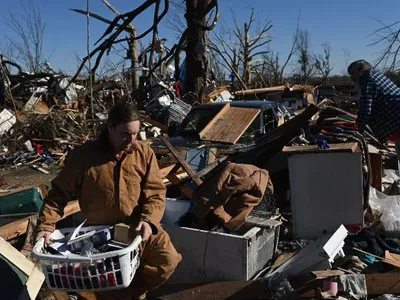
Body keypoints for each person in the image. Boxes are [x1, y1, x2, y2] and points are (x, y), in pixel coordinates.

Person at [36, 102, 182, 300]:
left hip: (137, 229)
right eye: (125, 134)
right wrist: (46, 226)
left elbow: (155, 192)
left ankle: (132, 292)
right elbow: (57, 195)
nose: (131, 140)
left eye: (135, 134)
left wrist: (149, 220)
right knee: (111, 289)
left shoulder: (143, 153)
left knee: (168, 259)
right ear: (110, 127)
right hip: (103, 237)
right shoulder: (84, 157)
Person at [348, 60, 400, 165]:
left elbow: (366, 108)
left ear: (360, 70)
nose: (353, 78)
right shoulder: (376, 76)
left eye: (353, 74)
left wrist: (357, 131)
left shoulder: (367, 80)